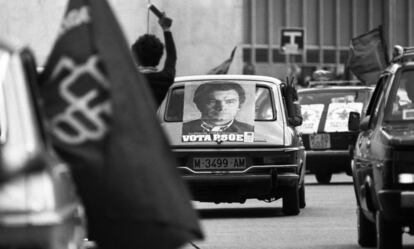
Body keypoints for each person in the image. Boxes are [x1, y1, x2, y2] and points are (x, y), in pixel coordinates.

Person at [131, 12, 176, 105]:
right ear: (159, 56)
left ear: (135, 57)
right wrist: (166, 28)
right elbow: (172, 56)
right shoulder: (165, 79)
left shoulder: (129, 80)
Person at [183, 81, 254, 134]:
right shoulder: (183, 130)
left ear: (239, 105)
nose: (221, 108)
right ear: (199, 104)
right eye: (212, 101)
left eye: (230, 102)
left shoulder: (250, 130)